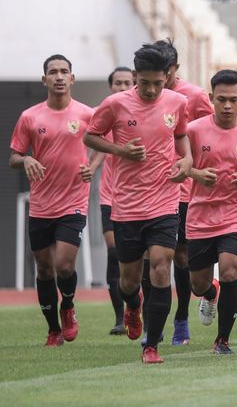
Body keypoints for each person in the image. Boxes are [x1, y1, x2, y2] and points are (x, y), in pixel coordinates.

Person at [83, 43, 192, 364]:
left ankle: (152, 345)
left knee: (161, 266)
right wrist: (120, 151)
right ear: (135, 77)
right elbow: (90, 136)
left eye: (159, 83)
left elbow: (181, 136)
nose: (152, 89)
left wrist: (186, 162)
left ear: (167, 77)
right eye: (145, 83)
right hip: (127, 204)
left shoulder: (178, 102)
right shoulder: (114, 104)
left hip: (164, 200)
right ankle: (132, 306)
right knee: (129, 280)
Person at [9, 54, 97, 346]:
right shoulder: (30, 117)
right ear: (44, 79)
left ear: (72, 79)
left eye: (64, 72)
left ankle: (68, 306)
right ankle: (53, 329)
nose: (59, 77)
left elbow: (107, 142)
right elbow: (14, 157)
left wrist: (93, 167)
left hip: (73, 201)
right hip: (41, 205)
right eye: (53, 72)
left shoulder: (86, 114)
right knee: (44, 268)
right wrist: (26, 160)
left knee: (64, 265)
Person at [188, 69, 237, 354]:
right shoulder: (194, 130)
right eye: (221, 100)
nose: (228, 106)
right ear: (211, 99)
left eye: (233, 100)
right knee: (197, 284)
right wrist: (196, 173)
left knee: (231, 271)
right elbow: (175, 164)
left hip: (236, 213)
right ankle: (210, 292)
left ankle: (222, 340)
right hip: (200, 215)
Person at [153, 39, 214, 346]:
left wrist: (198, 174)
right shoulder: (143, 97)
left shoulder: (194, 97)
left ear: (175, 68)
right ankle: (154, 317)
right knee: (150, 259)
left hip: (186, 191)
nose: (159, 77)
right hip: (150, 191)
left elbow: (210, 136)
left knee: (180, 257)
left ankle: (180, 319)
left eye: (165, 70)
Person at [100, 66, 134, 335]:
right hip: (110, 196)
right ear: (110, 86)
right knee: (115, 254)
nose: (123, 87)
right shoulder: (107, 112)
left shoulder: (142, 112)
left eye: (127, 83)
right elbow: (96, 142)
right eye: (118, 83)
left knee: (138, 259)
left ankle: (136, 307)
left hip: (139, 198)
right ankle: (119, 318)